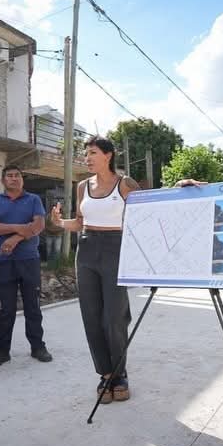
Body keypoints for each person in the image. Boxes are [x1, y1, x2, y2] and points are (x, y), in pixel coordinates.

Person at [51, 136, 139, 403]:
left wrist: (181, 186)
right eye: (86, 153)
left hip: (115, 248)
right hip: (87, 250)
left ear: (108, 155)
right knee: (91, 315)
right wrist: (60, 222)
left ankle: (120, 374)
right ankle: (106, 374)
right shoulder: (82, 187)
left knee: (114, 317)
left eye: (92, 153)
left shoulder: (124, 184)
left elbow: (151, 207)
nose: (87, 158)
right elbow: (80, 223)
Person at [0, 165, 52, 369]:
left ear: (22, 179)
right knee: (5, 309)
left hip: (28, 260)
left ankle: (38, 347)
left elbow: (38, 226)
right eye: (10, 176)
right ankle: (2, 351)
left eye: (18, 176)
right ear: (3, 180)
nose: (14, 178)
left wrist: (14, 239)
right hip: (2, 262)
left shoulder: (33, 200)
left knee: (33, 306)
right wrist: (20, 228)